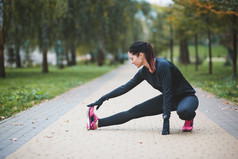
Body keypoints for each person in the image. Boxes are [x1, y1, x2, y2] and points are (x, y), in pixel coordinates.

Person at [87, 41, 199, 135]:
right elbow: (125, 88)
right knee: (133, 111)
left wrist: (166, 122)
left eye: (132, 58)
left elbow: (168, 92)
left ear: (141, 55)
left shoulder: (163, 65)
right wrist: (103, 98)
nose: (131, 62)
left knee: (184, 111)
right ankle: (96, 122)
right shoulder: (144, 72)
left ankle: (189, 119)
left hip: (186, 97)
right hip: (169, 98)